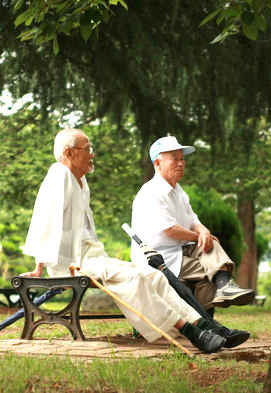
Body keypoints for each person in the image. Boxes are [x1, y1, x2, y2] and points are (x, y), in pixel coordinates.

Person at [21, 128, 247, 353]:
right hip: (73, 262)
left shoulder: (80, 182)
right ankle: (190, 331)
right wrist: (39, 267)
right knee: (137, 278)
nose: (92, 154)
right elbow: (44, 220)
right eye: (88, 149)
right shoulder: (59, 174)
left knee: (154, 276)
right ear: (69, 153)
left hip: (93, 257)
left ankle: (204, 326)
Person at [130, 136, 255, 315]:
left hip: (177, 252)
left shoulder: (179, 192)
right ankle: (208, 320)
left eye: (182, 159)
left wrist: (204, 231)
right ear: (157, 163)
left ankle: (224, 288)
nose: (181, 163)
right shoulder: (151, 192)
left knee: (210, 244)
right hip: (157, 257)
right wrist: (201, 236)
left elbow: (194, 221)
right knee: (207, 269)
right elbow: (170, 229)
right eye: (174, 158)